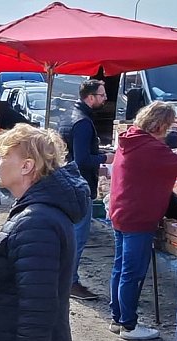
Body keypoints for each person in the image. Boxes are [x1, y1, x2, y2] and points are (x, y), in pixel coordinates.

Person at [0, 124, 87, 341]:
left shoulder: (37, 223)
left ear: (26, 166)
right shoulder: (36, 213)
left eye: (3, 156)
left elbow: (37, 313)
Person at [108, 101, 177, 340]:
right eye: (168, 126)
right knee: (132, 273)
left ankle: (118, 318)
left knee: (121, 268)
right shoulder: (152, 149)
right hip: (138, 217)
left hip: (122, 212)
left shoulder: (131, 139)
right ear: (160, 125)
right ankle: (128, 325)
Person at [58, 79, 113, 300]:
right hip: (79, 186)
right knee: (77, 238)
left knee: (71, 236)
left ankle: (65, 279)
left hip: (68, 182)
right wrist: (106, 158)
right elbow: (81, 159)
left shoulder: (69, 115)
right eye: (102, 95)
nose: (105, 99)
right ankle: (70, 283)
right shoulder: (82, 121)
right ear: (90, 97)